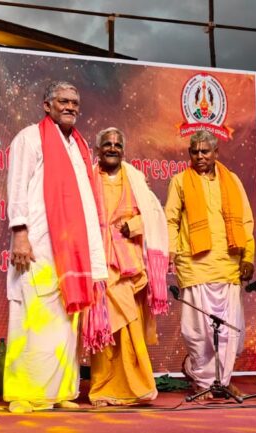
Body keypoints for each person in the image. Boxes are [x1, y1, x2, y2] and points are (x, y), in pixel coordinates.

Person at [3, 81, 109, 413]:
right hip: (38, 243)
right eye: (63, 101)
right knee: (32, 318)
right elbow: (17, 188)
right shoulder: (30, 138)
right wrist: (20, 233)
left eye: (75, 103)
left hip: (71, 251)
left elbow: (85, 203)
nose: (70, 107)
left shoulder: (78, 145)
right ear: (47, 105)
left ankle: (60, 391)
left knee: (66, 322)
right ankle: (23, 393)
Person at [165, 130, 255, 400]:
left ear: (216, 152)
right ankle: (203, 381)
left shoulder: (232, 180)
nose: (200, 156)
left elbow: (246, 221)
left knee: (228, 332)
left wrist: (248, 257)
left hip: (228, 265)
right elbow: (170, 221)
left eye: (205, 151)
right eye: (194, 152)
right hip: (195, 266)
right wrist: (170, 255)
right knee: (198, 332)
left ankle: (223, 380)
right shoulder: (180, 181)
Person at [88, 127, 170, 407]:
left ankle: (137, 387)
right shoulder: (88, 178)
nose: (112, 148)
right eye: (107, 144)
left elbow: (154, 215)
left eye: (117, 145)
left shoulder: (135, 177)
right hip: (99, 262)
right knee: (103, 328)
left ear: (123, 150)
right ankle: (102, 388)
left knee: (130, 327)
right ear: (98, 149)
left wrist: (133, 225)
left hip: (127, 263)